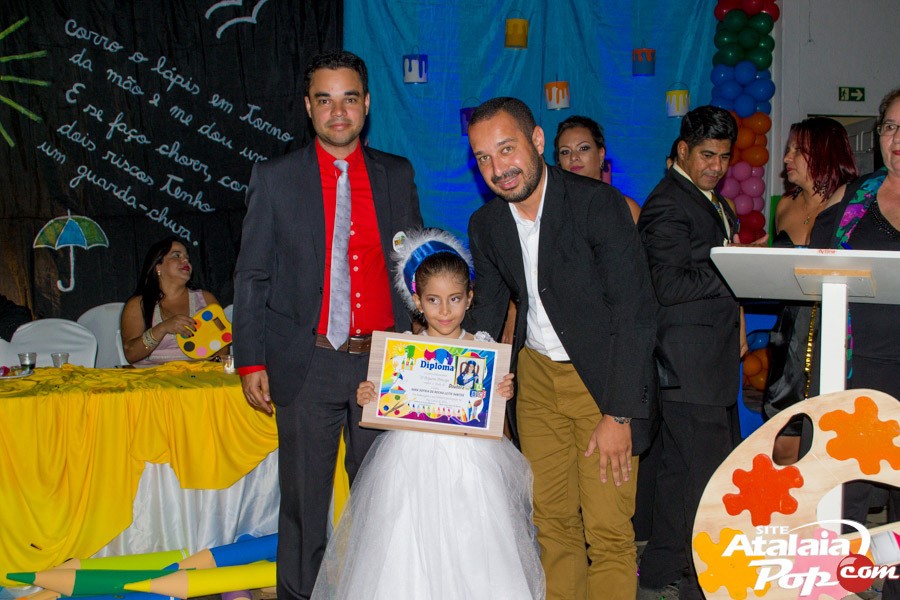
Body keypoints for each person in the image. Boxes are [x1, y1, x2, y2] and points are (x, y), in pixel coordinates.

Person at [232, 51, 422, 600]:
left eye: (349, 98)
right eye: (325, 99)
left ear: (367, 104)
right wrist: (250, 359)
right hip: (305, 362)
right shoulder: (274, 178)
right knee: (303, 508)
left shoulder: (397, 174)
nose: (338, 111)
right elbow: (252, 274)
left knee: (382, 503)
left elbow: (413, 265)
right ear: (308, 107)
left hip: (382, 363)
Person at [465, 97, 658, 600]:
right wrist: (457, 380)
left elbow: (635, 314)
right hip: (535, 382)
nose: (498, 169)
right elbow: (486, 314)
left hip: (602, 383)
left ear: (536, 141)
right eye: (483, 157)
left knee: (608, 530)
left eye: (506, 149)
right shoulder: (486, 224)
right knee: (552, 524)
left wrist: (619, 414)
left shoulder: (598, 205)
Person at [311, 229, 544, 599]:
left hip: (471, 463)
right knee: (406, 543)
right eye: (433, 300)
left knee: (474, 541)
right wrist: (369, 393)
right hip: (411, 458)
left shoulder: (482, 348)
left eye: (454, 299)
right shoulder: (403, 351)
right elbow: (387, 399)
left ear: (469, 298)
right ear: (417, 301)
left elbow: (492, 410)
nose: (445, 311)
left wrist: (502, 392)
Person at [636, 105, 765, 599]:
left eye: (725, 157)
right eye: (707, 155)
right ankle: (697, 583)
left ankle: (661, 570)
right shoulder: (669, 203)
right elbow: (667, 285)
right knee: (703, 481)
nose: (716, 165)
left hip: (706, 363)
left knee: (681, 475)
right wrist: (735, 264)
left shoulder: (708, 199)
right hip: (687, 364)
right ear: (683, 150)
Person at [809, 87, 900, 600]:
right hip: (857, 369)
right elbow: (814, 262)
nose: (897, 138)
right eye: (890, 127)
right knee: (848, 495)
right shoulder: (855, 200)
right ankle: (844, 585)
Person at [764, 117, 858, 465]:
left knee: (831, 442)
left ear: (823, 153)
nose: (786, 158)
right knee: (781, 441)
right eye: (788, 149)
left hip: (835, 330)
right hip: (790, 330)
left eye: (796, 150)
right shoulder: (785, 206)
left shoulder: (852, 205)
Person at [120, 237, 220, 367]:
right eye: (176, 255)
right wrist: (163, 328)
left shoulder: (206, 299)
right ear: (158, 267)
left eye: (187, 258)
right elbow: (131, 354)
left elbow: (222, 350)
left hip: (199, 375)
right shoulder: (138, 304)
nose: (185, 260)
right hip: (153, 376)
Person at [554, 115, 641, 222]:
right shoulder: (552, 211)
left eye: (583, 148)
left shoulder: (625, 209)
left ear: (601, 154)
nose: (573, 157)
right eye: (565, 152)